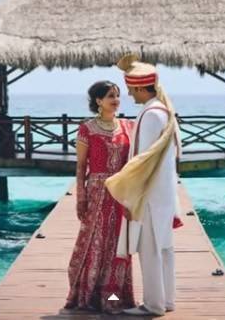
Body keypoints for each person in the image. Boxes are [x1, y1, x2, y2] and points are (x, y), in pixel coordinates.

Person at [105, 54, 182, 316]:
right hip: (165, 193)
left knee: (150, 251)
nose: (129, 95)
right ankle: (167, 300)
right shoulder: (165, 112)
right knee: (165, 249)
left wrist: (130, 198)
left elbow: (141, 162)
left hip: (150, 195)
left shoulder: (150, 115)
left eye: (130, 90)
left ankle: (153, 305)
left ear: (140, 87)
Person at [64, 80, 136, 314]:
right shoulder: (87, 128)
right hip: (97, 193)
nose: (116, 100)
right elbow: (81, 166)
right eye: (110, 96)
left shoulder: (127, 126)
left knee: (118, 247)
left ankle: (114, 297)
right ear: (98, 101)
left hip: (121, 193)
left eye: (117, 95)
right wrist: (80, 198)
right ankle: (89, 296)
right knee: (94, 245)